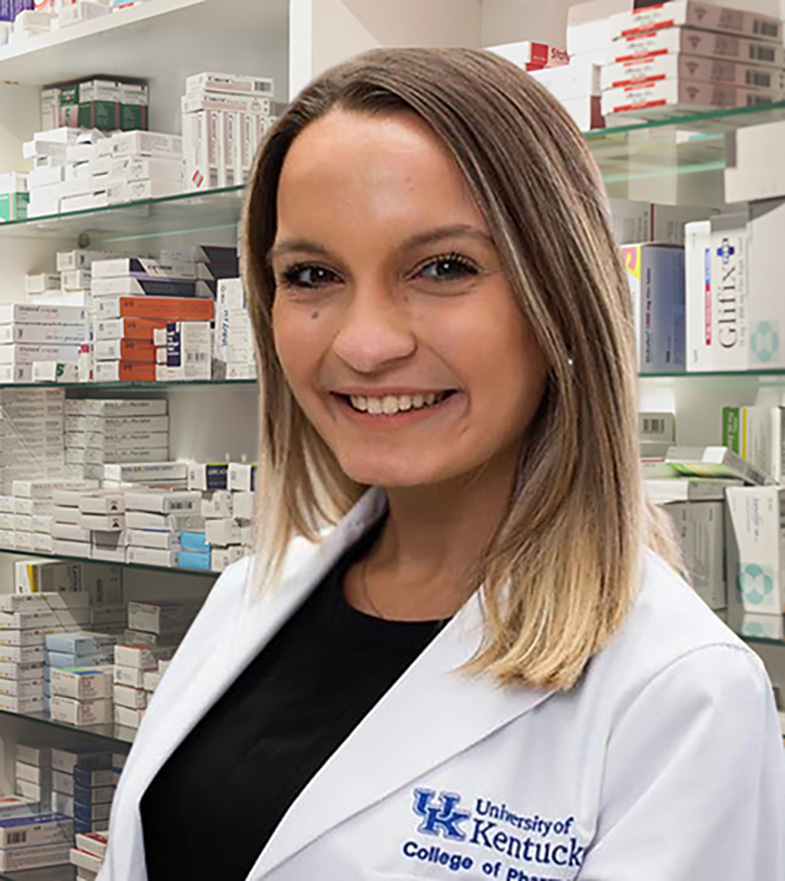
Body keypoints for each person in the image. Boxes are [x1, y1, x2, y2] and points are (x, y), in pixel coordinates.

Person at [100, 48, 785, 881]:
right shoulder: (247, 598)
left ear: (559, 298)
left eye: (443, 268)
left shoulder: (680, 696)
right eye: (312, 275)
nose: (364, 342)